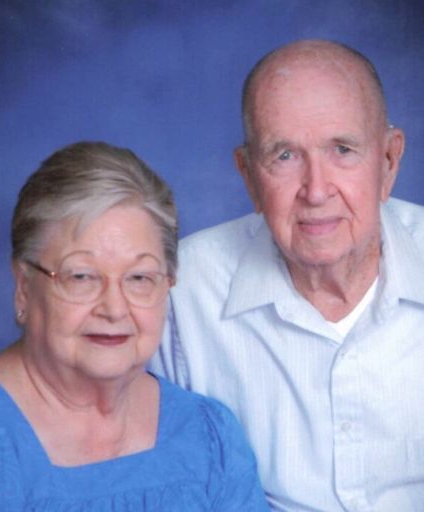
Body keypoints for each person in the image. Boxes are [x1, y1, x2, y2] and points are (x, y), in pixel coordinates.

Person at [150, 39, 424, 511]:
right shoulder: (180, 291)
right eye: (284, 156)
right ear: (248, 175)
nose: (315, 191)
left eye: (343, 150)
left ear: (388, 161)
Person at [0, 141, 269, 511]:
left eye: (139, 278)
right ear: (23, 287)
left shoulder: (209, 437)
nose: (114, 309)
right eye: (81, 276)